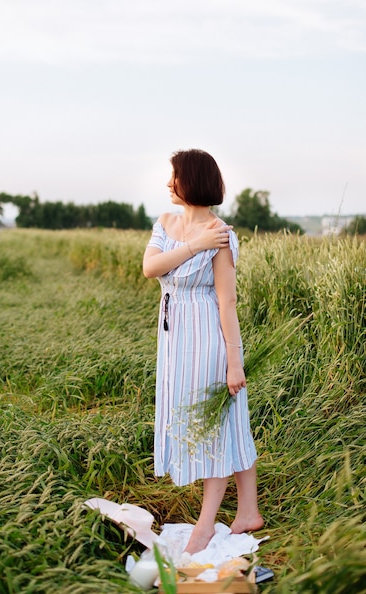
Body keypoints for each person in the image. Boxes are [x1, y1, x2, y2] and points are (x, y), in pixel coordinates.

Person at [143, 149, 263, 554]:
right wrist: (195, 245)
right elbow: (151, 268)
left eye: (174, 176)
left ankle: (205, 525)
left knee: (214, 425)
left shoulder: (222, 235)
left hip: (208, 337)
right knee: (230, 422)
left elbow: (227, 304)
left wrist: (234, 362)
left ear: (190, 180)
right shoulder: (167, 222)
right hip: (175, 339)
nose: (168, 183)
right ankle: (248, 512)